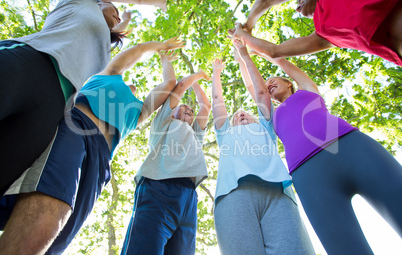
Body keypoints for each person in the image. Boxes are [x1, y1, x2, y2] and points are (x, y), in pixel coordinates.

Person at [0, 37, 185, 254]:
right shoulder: (108, 75)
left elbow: (169, 85)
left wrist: (166, 60)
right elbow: (139, 49)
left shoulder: (138, 112)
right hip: (76, 128)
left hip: (101, 158)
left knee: (62, 233)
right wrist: (159, 46)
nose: (133, 86)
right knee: (50, 206)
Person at [233, 38, 402, 254]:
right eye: (266, 84)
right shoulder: (270, 114)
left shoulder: (308, 90)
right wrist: (243, 55)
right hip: (309, 175)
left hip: (352, 149)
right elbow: (254, 88)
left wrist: (261, 50)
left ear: (289, 83)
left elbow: (283, 62)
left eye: (274, 79)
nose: (268, 84)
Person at [0, 0, 167, 197]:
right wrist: (159, 2)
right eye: (113, 8)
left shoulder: (104, 43)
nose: (116, 15)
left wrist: (124, 20)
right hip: (32, 61)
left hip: (56, 103)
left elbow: (114, 31)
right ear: (99, 1)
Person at [211, 55, 314, 255]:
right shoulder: (225, 134)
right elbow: (217, 100)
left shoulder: (266, 128)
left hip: (278, 194)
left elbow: (261, 94)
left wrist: (242, 55)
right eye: (235, 116)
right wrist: (216, 73)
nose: (241, 114)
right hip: (234, 194)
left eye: (246, 114)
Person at [120, 68, 212, 255]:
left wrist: (197, 84)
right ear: (171, 112)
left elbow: (206, 106)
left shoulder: (195, 134)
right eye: (183, 107)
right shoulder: (164, 123)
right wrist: (198, 75)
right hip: (158, 187)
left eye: (191, 110)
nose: (189, 109)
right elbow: (180, 86)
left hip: (188, 197)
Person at [230, 0, 402, 66]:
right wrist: (244, 36)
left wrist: (247, 25)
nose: (297, 8)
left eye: (298, 0)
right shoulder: (324, 35)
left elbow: (266, 0)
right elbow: (275, 51)